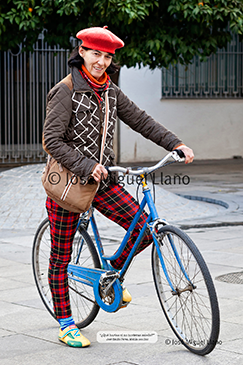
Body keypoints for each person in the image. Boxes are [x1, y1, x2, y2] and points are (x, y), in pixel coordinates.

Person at [42, 26, 194, 348]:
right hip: (69, 185)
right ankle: (66, 323)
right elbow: (51, 140)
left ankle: (110, 271)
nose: (101, 61)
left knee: (146, 226)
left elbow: (140, 120)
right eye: (95, 53)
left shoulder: (110, 90)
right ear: (81, 52)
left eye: (107, 56)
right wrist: (86, 166)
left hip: (104, 180)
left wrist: (175, 143)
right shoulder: (66, 90)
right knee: (61, 256)